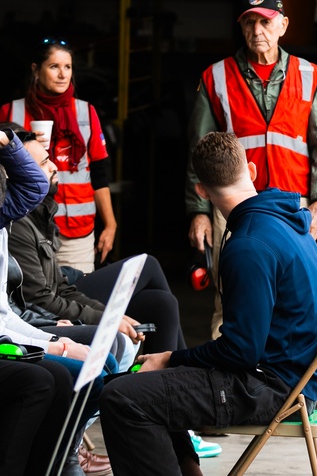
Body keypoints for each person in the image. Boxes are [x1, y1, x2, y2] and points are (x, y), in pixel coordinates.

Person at [101, 131, 317, 476]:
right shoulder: (289, 221)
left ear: (202, 192)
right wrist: (174, 363)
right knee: (154, 386)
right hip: (295, 379)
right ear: (251, 169)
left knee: (121, 396)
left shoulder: (249, 245)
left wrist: (173, 358)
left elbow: (241, 352)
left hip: (272, 388)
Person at [186, 0, 317, 338]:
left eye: (266, 22)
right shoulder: (216, 77)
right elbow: (200, 152)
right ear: (241, 29)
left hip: (292, 204)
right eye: (250, 23)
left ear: (283, 25)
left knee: (292, 296)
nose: (258, 31)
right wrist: (198, 211)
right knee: (231, 297)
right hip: (232, 205)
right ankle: (224, 382)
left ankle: (281, 386)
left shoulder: (310, 75)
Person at [5, 123, 185, 354]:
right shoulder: (18, 223)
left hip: (57, 300)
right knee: (147, 265)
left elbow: (59, 286)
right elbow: (41, 299)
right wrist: (107, 319)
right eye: (42, 163)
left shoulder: (39, 212)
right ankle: (175, 372)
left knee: (162, 303)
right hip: (42, 317)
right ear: (16, 173)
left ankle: (168, 376)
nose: (53, 166)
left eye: (49, 158)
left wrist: (111, 315)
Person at [0, 126, 107, 476]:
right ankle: (57, 465)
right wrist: (51, 345)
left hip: (13, 334)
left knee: (81, 369)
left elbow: (33, 185)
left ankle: (60, 463)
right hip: (10, 341)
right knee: (49, 379)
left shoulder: (2, 222)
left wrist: (52, 341)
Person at [0, 38, 117, 275]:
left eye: (68, 67)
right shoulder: (11, 111)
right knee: (34, 304)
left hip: (77, 233)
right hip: (26, 230)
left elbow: (99, 174)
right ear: (36, 70)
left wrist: (110, 224)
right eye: (54, 66)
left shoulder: (86, 111)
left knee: (79, 301)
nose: (63, 74)